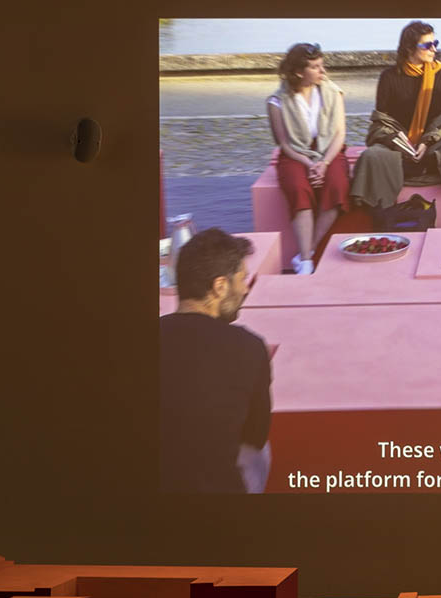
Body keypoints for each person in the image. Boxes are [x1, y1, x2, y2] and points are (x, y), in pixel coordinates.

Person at [160, 228, 272, 493]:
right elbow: (256, 436)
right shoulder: (249, 348)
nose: (245, 289)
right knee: (261, 451)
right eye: (242, 279)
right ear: (220, 286)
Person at [349, 21, 441, 214]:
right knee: (371, 156)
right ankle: (403, 183)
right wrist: (395, 140)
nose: (434, 49)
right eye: (427, 45)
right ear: (409, 48)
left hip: (432, 144)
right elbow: (381, 121)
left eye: (435, 43)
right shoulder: (389, 77)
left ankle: (417, 167)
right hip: (398, 146)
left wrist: (427, 141)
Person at [266, 42, 349, 275]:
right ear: (298, 72)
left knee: (337, 185)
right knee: (298, 187)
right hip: (296, 153)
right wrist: (309, 163)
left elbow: (340, 134)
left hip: (329, 149)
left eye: (322, 65)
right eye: (315, 67)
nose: (323, 71)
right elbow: (284, 144)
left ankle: (308, 251)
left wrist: (324, 163)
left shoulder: (333, 93)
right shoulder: (277, 102)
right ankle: (305, 261)